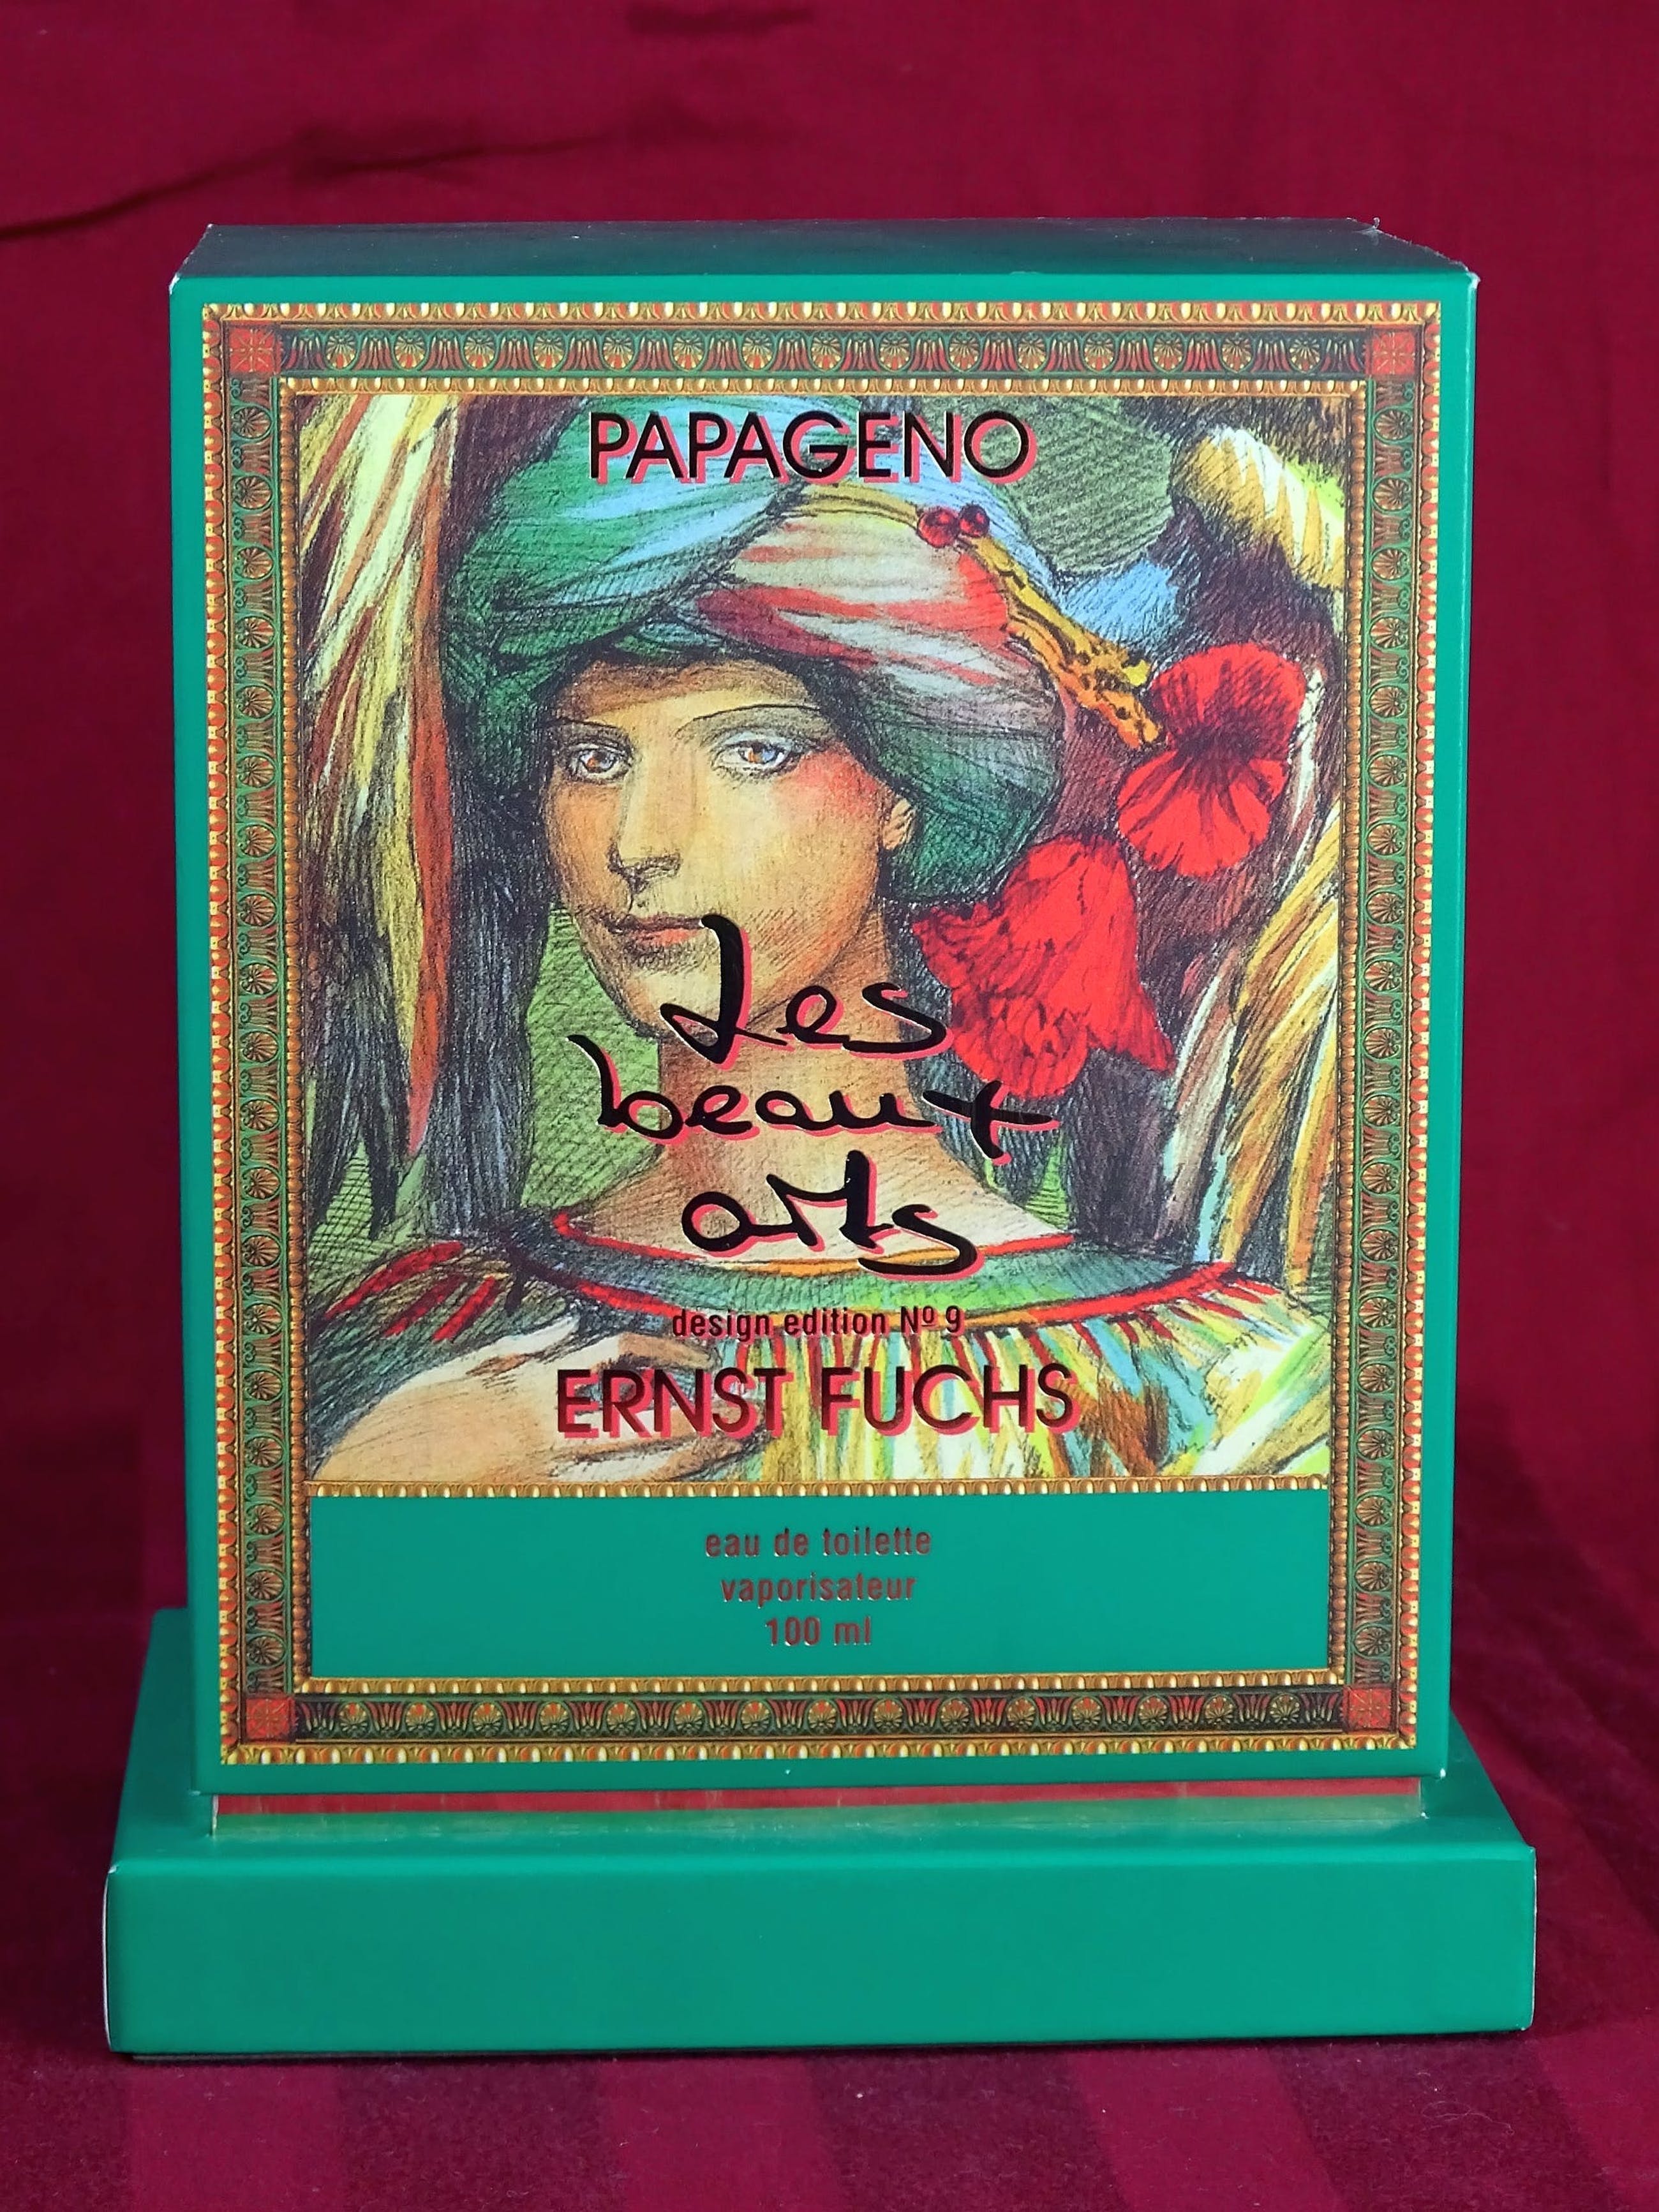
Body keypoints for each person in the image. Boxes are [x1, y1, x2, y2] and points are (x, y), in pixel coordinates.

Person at [302, 406, 1330, 1490]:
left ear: (903, 794)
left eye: (753, 751)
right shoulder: (414, 1340)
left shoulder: (1214, 1393)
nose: (639, 844)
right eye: (593, 759)